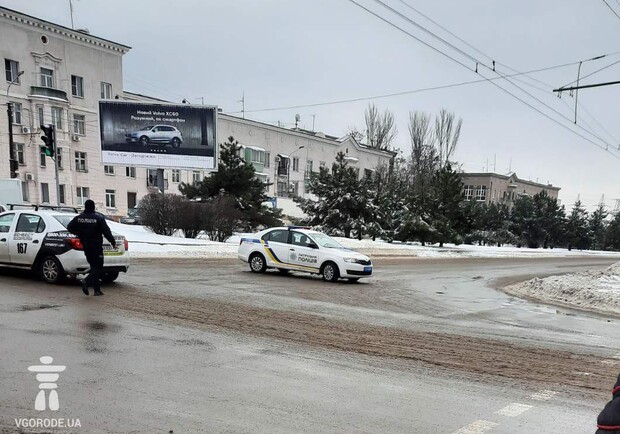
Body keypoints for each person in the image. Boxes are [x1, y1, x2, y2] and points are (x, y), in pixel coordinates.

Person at [67, 199, 116, 296]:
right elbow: (106, 232)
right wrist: (113, 242)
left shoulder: (79, 218)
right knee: (98, 268)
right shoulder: (98, 218)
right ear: (93, 207)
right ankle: (86, 281)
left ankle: (97, 290)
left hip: (86, 245)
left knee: (94, 267)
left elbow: (69, 227)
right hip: (96, 246)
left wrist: (79, 234)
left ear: (85, 207)